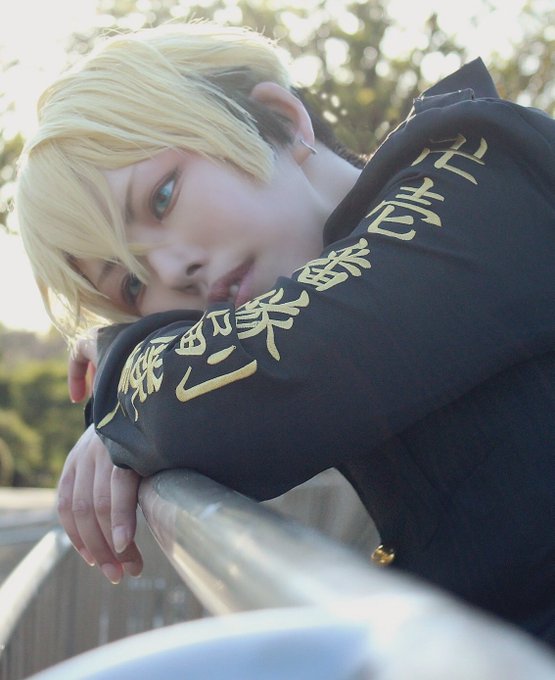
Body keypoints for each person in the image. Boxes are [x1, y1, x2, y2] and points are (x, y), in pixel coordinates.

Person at [15, 20, 555, 649]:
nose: (172, 270)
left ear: (281, 119)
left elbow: (249, 387)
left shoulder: (482, 163)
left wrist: (123, 368)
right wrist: (126, 403)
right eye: (132, 285)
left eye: (162, 197)